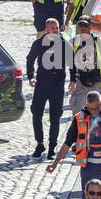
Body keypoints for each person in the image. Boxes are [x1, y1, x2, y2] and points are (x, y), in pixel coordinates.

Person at [25, 18, 74, 159]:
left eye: (56, 28)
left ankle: (52, 147)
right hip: (42, 83)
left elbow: (72, 62)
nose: (55, 31)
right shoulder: (39, 43)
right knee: (37, 113)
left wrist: (73, 80)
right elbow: (30, 59)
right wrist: (30, 76)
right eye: (52, 28)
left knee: (55, 116)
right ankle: (40, 144)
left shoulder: (65, 44)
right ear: (46, 29)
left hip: (57, 85)